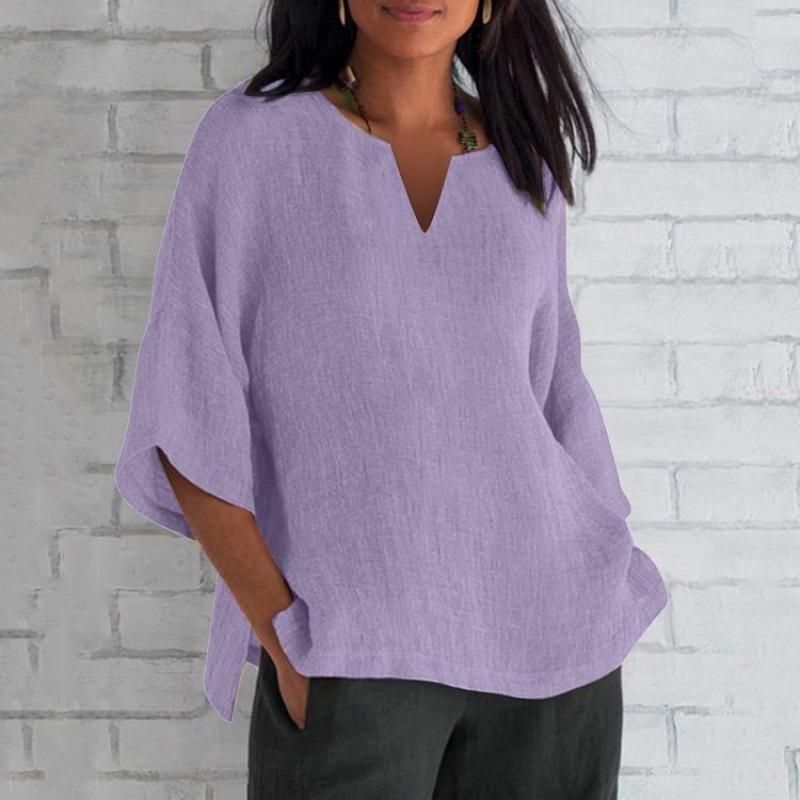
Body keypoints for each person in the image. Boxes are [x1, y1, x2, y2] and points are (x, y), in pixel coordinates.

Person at [113, 0, 669, 797]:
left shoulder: (525, 160)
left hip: (554, 648)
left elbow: (555, 390)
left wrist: (605, 584)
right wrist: (286, 640)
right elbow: (186, 410)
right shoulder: (253, 143)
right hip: (354, 656)